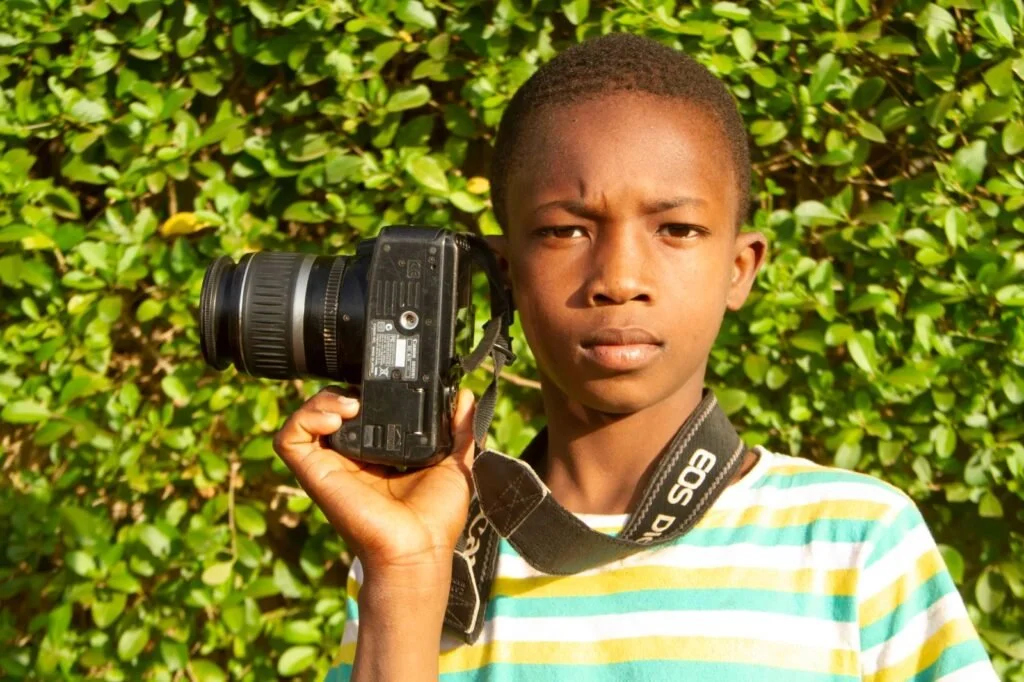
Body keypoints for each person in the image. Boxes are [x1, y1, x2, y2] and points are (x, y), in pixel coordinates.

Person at [272, 33, 998, 681]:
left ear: (739, 268)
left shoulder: (852, 539)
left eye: (677, 229)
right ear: (503, 275)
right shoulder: (436, 556)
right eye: (565, 232)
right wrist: (401, 573)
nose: (619, 278)